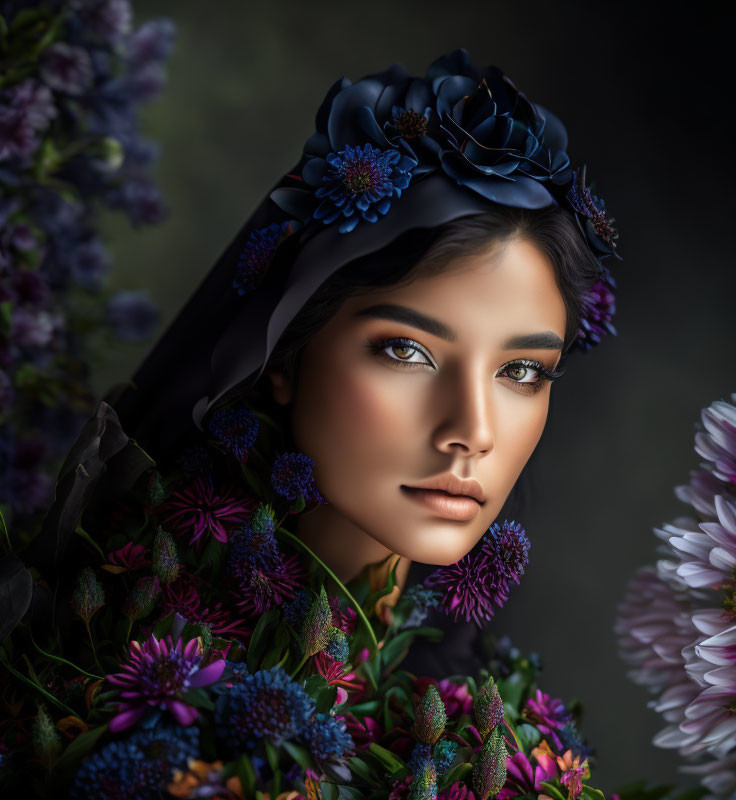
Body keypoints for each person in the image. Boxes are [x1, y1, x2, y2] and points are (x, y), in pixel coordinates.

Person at [0, 49, 622, 798]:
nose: (473, 430)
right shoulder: (123, 681)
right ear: (287, 353)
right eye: (407, 351)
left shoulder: (489, 720)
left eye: (522, 371)